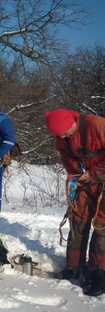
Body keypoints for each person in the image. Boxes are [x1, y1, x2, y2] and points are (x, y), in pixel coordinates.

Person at [45, 108, 105, 296]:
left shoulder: (96, 124)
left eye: (65, 131)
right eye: (59, 134)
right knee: (78, 220)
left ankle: (97, 273)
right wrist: (76, 174)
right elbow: (65, 156)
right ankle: (73, 266)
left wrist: (94, 173)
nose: (63, 136)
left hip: (100, 176)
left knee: (102, 225)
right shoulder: (61, 137)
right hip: (85, 180)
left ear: (73, 121)